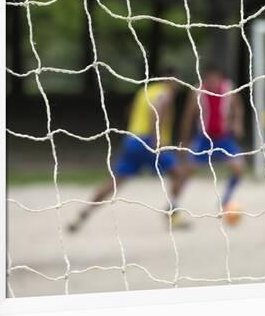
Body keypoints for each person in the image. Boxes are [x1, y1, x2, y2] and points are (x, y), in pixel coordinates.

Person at [67, 71, 190, 233]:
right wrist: (157, 138)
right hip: (149, 141)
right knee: (179, 173)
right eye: (177, 81)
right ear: (169, 79)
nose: (178, 85)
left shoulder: (144, 91)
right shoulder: (165, 93)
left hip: (132, 140)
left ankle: (84, 214)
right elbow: (157, 111)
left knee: (116, 181)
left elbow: (129, 110)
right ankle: (172, 213)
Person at [180, 66, 245, 213]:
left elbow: (238, 106)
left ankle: (226, 201)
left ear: (220, 78)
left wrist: (237, 123)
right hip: (204, 138)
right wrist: (184, 140)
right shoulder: (197, 92)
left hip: (224, 138)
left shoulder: (229, 88)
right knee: (187, 170)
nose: (212, 82)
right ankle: (174, 204)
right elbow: (188, 117)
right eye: (209, 78)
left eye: (215, 78)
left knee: (239, 168)